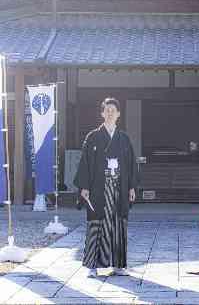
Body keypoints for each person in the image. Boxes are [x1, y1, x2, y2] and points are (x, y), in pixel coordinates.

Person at [74, 97, 138, 278]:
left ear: (118, 114)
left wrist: (131, 187)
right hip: (98, 188)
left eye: (113, 110)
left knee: (119, 224)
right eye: (107, 110)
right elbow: (85, 163)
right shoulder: (93, 136)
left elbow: (131, 164)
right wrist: (84, 186)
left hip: (119, 186)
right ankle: (92, 266)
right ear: (102, 113)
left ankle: (118, 265)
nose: (110, 113)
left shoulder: (124, 138)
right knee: (96, 224)